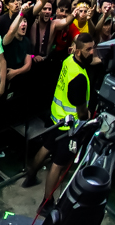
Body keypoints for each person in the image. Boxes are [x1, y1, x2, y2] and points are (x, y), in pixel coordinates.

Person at [23, 32, 99, 199]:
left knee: (46, 147)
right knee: (58, 164)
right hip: (68, 127)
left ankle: (30, 177)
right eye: (89, 49)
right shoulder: (79, 78)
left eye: (93, 48)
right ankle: (47, 202)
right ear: (78, 51)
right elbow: (81, 112)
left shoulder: (68, 60)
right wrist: (88, 115)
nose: (92, 52)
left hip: (55, 117)